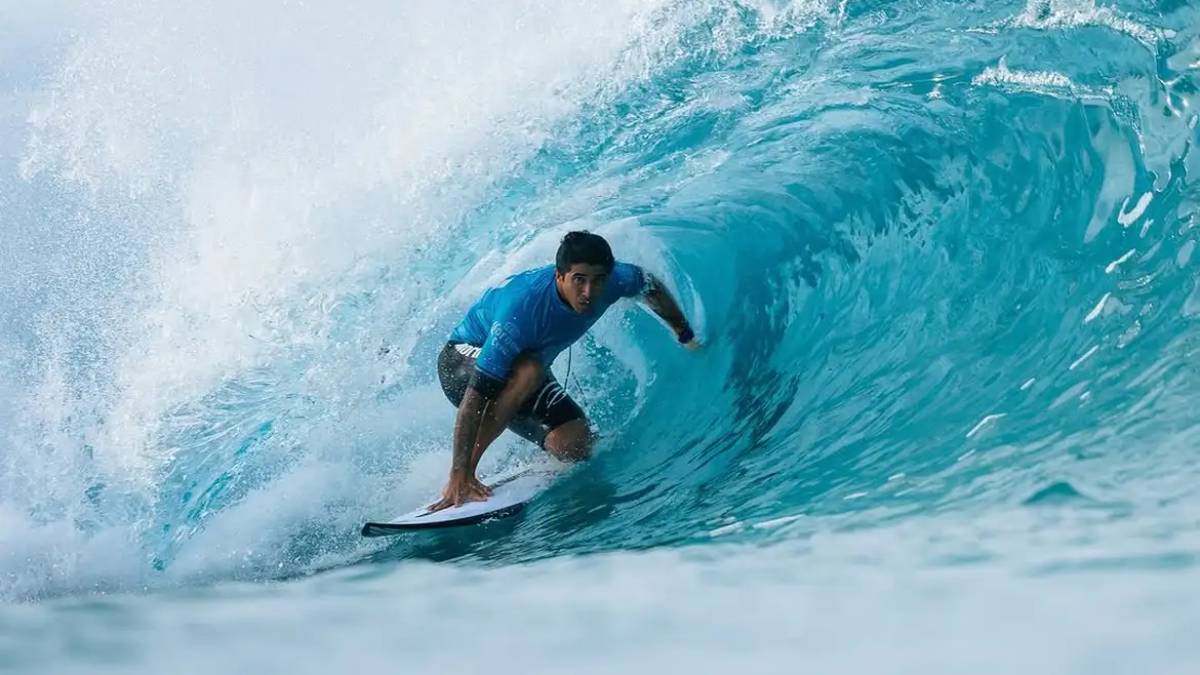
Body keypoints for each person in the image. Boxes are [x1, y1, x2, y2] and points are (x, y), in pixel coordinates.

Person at [429, 230, 699, 511]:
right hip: (462, 361)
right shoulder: (521, 311)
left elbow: (650, 287)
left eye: (598, 281)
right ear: (560, 276)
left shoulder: (618, 278)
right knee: (529, 370)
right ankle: (461, 480)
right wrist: (461, 472)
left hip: (522, 365)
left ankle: (532, 460)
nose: (589, 292)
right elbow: (474, 401)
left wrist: (684, 333)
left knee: (576, 445)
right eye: (578, 280)